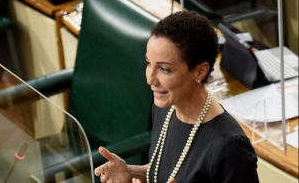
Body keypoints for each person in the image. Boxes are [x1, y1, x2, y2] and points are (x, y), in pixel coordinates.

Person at [94, 10, 259, 182]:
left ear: (200, 71)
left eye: (164, 69)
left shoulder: (230, 147)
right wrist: (130, 172)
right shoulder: (165, 107)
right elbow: (165, 171)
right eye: (148, 63)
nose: (150, 79)